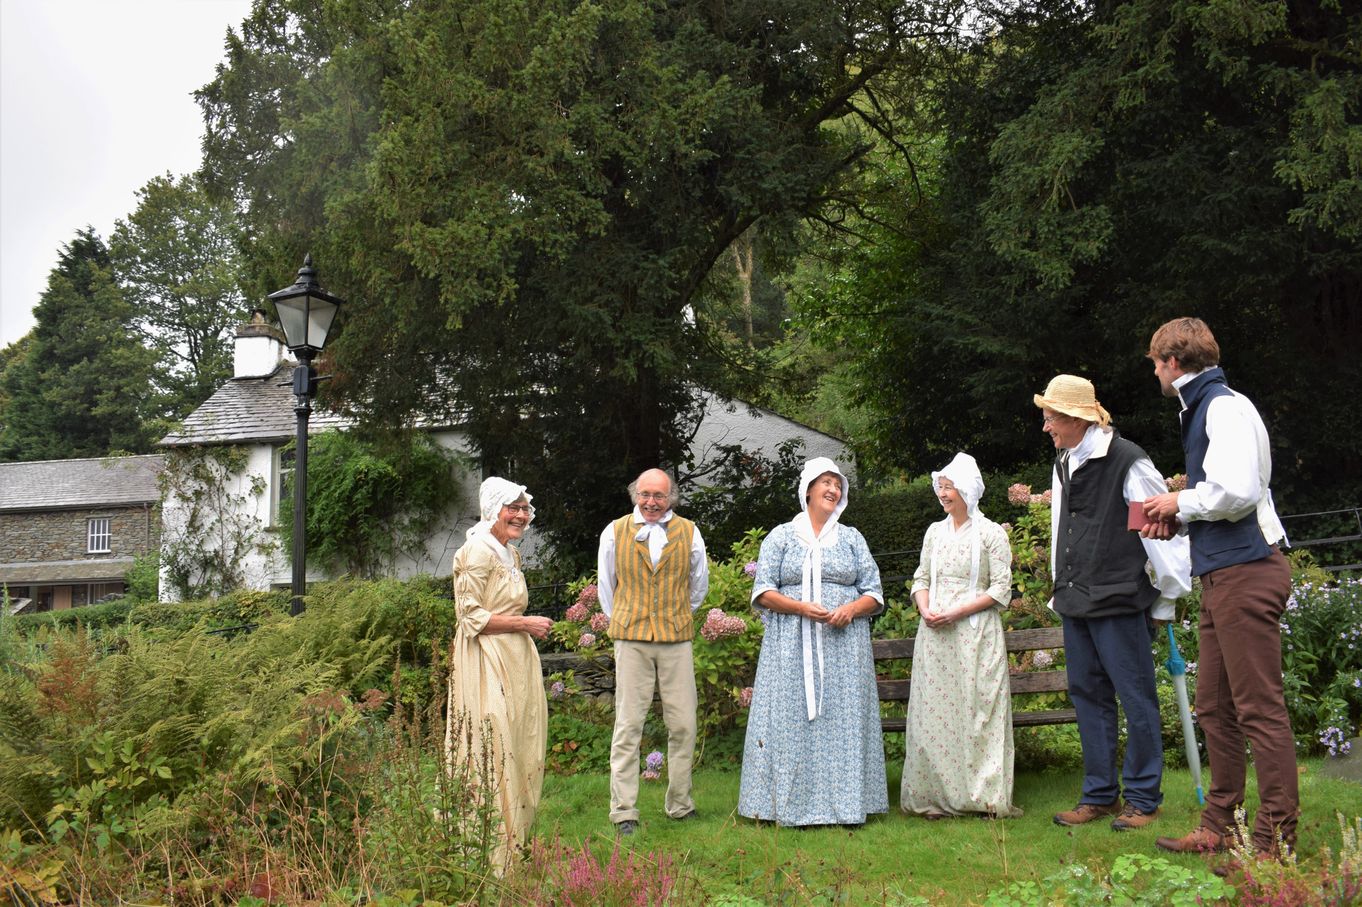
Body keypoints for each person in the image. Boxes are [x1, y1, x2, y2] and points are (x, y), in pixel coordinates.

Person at [1142, 317, 1297, 859]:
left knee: (1260, 711)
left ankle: (1275, 843)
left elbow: (1238, 491)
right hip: (1224, 573)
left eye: (1155, 363)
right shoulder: (1204, 406)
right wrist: (1180, 519)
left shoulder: (1223, 407)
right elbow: (1226, 499)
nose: (1155, 373)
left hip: (1247, 571)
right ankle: (1221, 826)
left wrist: (1178, 502)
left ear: (1172, 362)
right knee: (1212, 705)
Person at [1033, 375, 1192, 833]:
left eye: (1051, 417)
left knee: (1136, 698)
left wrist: (1167, 596)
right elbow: (1063, 527)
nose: (1046, 426)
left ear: (1077, 417)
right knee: (1088, 697)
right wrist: (1060, 584)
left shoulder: (1128, 461)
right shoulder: (1064, 461)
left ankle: (1143, 799)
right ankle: (1100, 795)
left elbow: (1159, 532)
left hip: (1120, 599)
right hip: (1075, 599)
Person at [738, 457, 888, 827]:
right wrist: (801, 607)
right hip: (790, 647)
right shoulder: (781, 537)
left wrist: (850, 609)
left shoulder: (851, 538)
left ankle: (846, 806)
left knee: (842, 721)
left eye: (838, 484)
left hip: (844, 648)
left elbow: (874, 593)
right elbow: (763, 592)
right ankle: (786, 806)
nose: (833, 489)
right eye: (826, 482)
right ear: (808, 489)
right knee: (789, 720)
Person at [900, 453, 1020, 820]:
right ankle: (935, 796)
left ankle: (981, 797)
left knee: (977, 710)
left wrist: (957, 612)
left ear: (967, 489)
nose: (942, 493)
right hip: (935, 634)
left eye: (949, 487)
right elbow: (921, 578)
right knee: (935, 715)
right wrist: (925, 609)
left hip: (975, 634)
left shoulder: (991, 533)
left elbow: (1001, 589)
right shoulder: (934, 532)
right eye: (940, 487)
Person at [445, 477, 554, 872]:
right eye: (514, 508)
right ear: (493, 509)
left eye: (525, 508)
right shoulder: (476, 551)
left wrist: (522, 630)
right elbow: (470, 617)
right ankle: (486, 848)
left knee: (520, 742)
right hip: (486, 658)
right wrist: (525, 623)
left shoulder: (511, 553)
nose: (522, 515)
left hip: (516, 659)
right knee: (492, 742)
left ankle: (516, 840)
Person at [598, 468, 709, 836]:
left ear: (670, 497)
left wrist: (673, 616)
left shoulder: (689, 532)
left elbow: (698, 586)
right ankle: (623, 812)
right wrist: (627, 621)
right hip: (631, 640)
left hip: (676, 640)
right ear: (635, 495)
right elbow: (606, 587)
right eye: (645, 494)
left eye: (659, 495)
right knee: (629, 725)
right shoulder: (614, 532)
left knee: (684, 724)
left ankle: (680, 804)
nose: (651, 502)